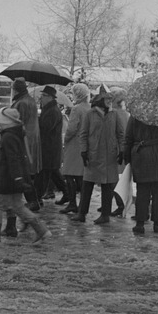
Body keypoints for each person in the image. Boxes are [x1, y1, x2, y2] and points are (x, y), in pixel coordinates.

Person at [0, 107, 51, 244]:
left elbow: (13, 159)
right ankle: (41, 230)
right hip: (14, 179)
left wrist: (17, 178)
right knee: (19, 207)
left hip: (7, 179)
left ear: (6, 121)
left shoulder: (8, 137)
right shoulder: (16, 134)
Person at [71, 89, 126, 225]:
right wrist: (84, 151)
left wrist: (122, 150)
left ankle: (105, 215)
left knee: (107, 186)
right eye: (107, 100)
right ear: (100, 101)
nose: (109, 102)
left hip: (109, 156)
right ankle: (82, 213)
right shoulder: (90, 114)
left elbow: (120, 134)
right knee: (87, 185)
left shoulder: (114, 115)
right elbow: (83, 134)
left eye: (110, 100)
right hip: (93, 155)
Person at [10, 77, 42, 210]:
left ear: (15, 90)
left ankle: (32, 200)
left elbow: (18, 123)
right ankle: (33, 200)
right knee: (26, 172)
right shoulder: (30, 101)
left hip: (24, 141)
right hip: (31, 139)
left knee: (23, 172)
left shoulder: (21, 103)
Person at [59, 82, 90, 215]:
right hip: (85, 144)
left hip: (74, 145)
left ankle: (72, 203)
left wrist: (65, 140)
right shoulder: (89, 108)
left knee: (69, 174)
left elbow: (71, 128)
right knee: (81, 176)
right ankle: (83, 205)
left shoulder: (76, 109)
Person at [35, 85, 68, 203]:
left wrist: (37, 121)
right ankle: (67, 192)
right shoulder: (49, 109)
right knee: (53, 173)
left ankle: (37, 198)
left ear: (49, 97)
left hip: (50, 148)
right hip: (50, 147)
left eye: (43, 96)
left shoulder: (52, 111)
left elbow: (46, 127)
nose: (41, 98)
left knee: (44, 173)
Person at [103, 88, 130, 218]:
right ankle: (111, 203)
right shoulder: (125, 113)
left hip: (117, 149)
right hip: (123, 148)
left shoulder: (114, 114)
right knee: (117, 178)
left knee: (113, 179)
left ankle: (119, 204)